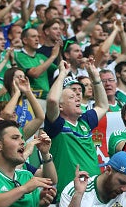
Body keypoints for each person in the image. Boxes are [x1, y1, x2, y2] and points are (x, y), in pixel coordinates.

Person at [45, 59, 108, 198]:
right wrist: (62, 74)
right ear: (60, 106)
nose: (78, 97)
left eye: (78, 95)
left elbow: (103, 106)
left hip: (94, 191)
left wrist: (96, 79)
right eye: (72, 97)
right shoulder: (56, 125)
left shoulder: (84, 121)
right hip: (69, 193)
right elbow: (52, 101)